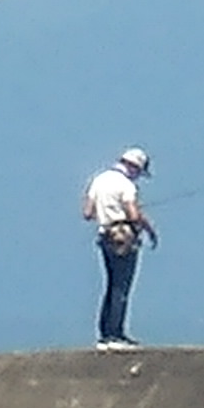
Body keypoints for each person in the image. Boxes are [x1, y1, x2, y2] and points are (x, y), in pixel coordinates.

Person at [84, 147, 154, 346]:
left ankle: (105, 335)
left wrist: (106, 213)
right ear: (133, 167)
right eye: (139, 172)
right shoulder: (126, 185)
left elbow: (87, 212)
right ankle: (116, 334)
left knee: (110, 284)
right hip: (123, 236)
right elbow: (133, 215)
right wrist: (149, 228)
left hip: (105, 236)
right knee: (121, 287)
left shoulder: (98, 180)